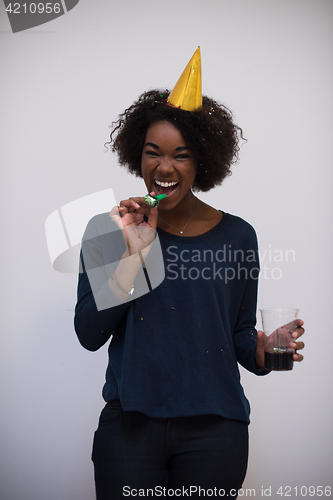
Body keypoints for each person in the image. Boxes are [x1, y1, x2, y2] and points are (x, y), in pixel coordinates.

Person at [74, 49, 305, 499]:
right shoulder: (108, 229)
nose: (164, 168)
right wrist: (134, 256)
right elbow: (88, 332)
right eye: (152, 153)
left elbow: (236, 335)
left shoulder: (238, 236)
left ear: (203, 161)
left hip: (215, 431)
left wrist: (260, 351)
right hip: (129, 429)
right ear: (135, 155)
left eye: (180, 156)